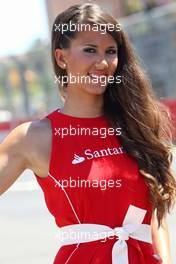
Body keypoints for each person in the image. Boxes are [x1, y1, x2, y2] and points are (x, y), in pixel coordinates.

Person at [0, 3, 176, 264]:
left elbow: (154, 217)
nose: (102, 62)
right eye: (90, 50)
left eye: (111, 51)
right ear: (61, 58)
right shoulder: (34, 137)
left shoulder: (136, 125)